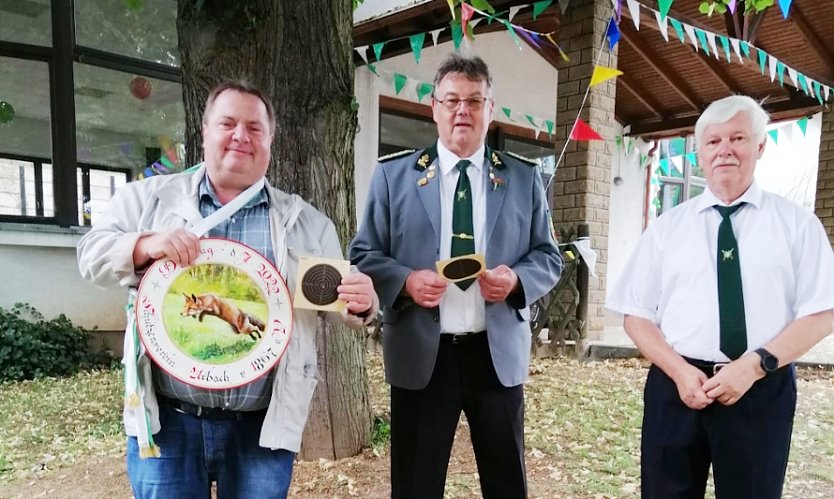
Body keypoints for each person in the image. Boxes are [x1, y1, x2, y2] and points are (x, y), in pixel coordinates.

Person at [77, 81, 378, 499]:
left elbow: (339, 305)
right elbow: (90, 254)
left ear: (271, 140)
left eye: (255, 128)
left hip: (262, 426)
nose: (241, 136)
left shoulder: (309, 224)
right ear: (204, 132)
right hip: (169, 422)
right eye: (228, 123)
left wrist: (362, 305)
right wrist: (147, 245)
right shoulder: (147, 200)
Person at [349, 54, 562, 499]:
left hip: (495, 354)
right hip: (423, 355)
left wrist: (517, 280)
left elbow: (548, 256)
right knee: (415, 485)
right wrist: (405, 281)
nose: (462, 110)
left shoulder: (523, 179)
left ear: (490, 108)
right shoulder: (394, 175)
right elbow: (364, 253)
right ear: (434, 108)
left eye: (473, 100)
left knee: (507, 484)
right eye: (451, 100)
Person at [606, 95, 834, 499]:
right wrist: (677, 371)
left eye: (738, 138)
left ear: (760, 146)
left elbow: (822, 312)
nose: (725, 150)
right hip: (677, 387)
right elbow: (636, 315)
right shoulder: (666, 229)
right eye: (713, 142)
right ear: (699, 151)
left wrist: (754, 365)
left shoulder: (797, 226)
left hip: (761, 385)